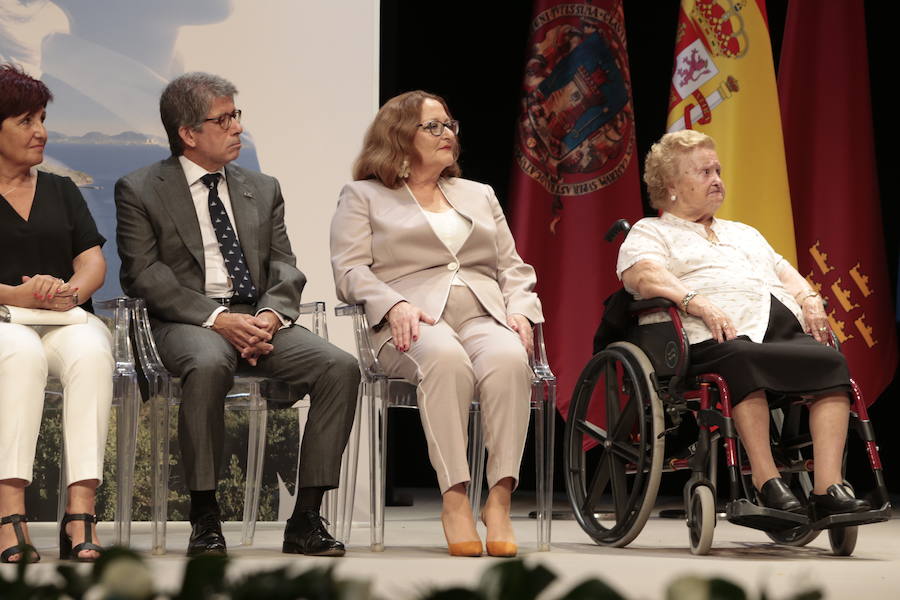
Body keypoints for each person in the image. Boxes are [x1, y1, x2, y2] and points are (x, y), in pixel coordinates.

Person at [115, 72, 359, 557]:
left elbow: (284, 264)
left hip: (257, 319)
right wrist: (216, 319)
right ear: (188, 133)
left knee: (339, 366)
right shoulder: (141, 188)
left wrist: (270, 315)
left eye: (236, 116)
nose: (237, 128)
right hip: (185, 324)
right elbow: (145, 274)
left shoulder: (262, 188)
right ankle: (205, 516)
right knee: (209, 362)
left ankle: (306, 518)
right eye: (223, 119)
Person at [330, 90, 543, 557]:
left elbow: (512, 268)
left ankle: (500, 499)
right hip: (409, 320)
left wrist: (522, 310)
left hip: (481, 313)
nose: (448, 133)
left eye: (450, 125)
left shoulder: (478, 194)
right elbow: (350, 271)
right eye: (434, 126)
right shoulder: (364, 195)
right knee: (446, 360)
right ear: (400, 136)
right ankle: (455, 499)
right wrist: (393, 303)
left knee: (510, 360)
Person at [617, 129, 870, 520]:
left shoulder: (744, 233)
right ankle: (767, 482)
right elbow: (644, 276)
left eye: (717, 170)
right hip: (707, 336)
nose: (717, 179)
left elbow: (787, 274)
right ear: (670, 186)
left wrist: (811, 301)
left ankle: (828, 487)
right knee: (742, 358)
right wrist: (695, 301)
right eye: (703, 172)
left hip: (775, 328)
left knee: (829, 362)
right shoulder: (652, 231)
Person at [0, 64, 111, 563]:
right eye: (25, 120)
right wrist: (17, 295)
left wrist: (69, 290)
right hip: (5, 321)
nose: (40, 131)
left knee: (92, 350)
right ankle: (10, 515)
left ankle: (80, 513)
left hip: (63, 319)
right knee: (20, 354)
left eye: (42, 118)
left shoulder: (62, 190)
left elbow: (91, 261)